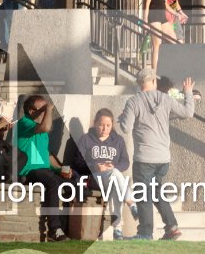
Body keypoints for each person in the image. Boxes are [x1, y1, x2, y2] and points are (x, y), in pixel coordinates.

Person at [118, 66, 196, 241]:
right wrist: (188, 93)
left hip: (144, 157)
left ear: (139, 84)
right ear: (154, 81)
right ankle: (172, 227)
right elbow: (188, 112)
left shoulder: (133, 102)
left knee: (143, 195)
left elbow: (125, 127)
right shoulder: (165, 99)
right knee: (156, 192)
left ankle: (145, 233)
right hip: (163, 158)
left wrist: (123, 117)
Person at [16, 95, 72, 241]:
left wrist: (61, 170)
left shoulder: (41, 133)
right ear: (30, 110)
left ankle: (66, 228)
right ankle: (54, 230)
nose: (46, 113)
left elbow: (46, 156)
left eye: (46, 109)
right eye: (42, 109)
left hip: (44, 170)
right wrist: (50, 108)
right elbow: (46, 126)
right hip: (29, 171)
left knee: (71, 186)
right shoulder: (24, 123)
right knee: (52, 183)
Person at [70, 107, 130, 240]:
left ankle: (117, 231)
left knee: (115, 181)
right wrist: (94, 166)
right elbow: (77, 162)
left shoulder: (118, 140)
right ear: (95, 123)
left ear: (112, 125)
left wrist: (114, 166)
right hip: (95, 178)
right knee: (115, 176)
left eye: (108, 125)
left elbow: (125, 162)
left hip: (112, 178)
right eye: (101, 125)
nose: (104, 128)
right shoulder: (86, 139)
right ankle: (131, 202)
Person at [141, 0, 180, 68]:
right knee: (157, 44)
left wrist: (176, 13)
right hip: (153, 15)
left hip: (162, 14)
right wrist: (145, 20)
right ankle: (154, 73)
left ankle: (168, 66)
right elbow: (146, 3)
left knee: (173, 40)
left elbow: (165, 3)